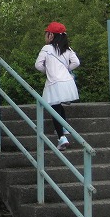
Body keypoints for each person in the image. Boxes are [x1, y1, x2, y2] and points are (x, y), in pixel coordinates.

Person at [35, 21, 80, 151]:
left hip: (54, 83)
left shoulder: (47, 48)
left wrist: (47, 71)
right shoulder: (68, 49)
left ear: (51, 36)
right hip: (67, 82)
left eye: (47, 33)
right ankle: (64, 127)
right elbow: (76, 62)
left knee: (54, 109)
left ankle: (61, 138)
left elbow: (38, 65)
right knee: (58, 105)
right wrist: (66, 69)